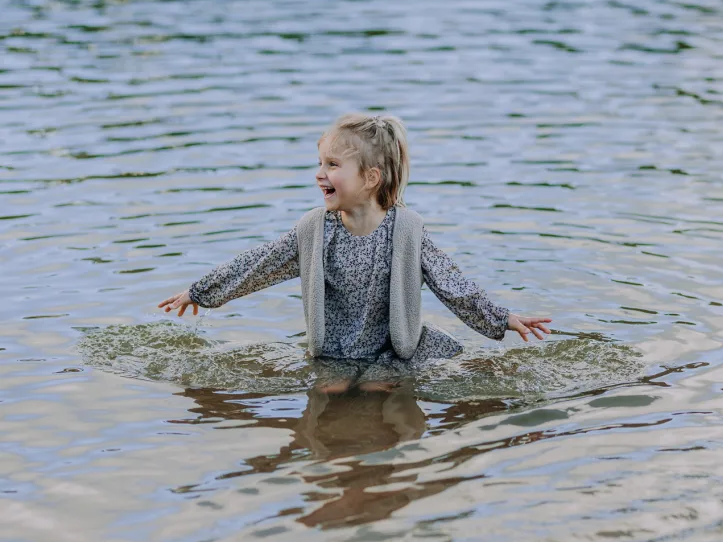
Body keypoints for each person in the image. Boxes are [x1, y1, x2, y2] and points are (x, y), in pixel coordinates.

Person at [158, 113, 551, 371]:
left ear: (371, 178)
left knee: (384, 392)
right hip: (332, 352)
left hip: (390, 351)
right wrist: (200, 292)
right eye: (320, 163)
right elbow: (257, 264)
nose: (319, 174)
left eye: (332, 165)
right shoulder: (315, 229)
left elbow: (451, 283)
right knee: (331, 389)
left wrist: (502, 319)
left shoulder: (406, 230)